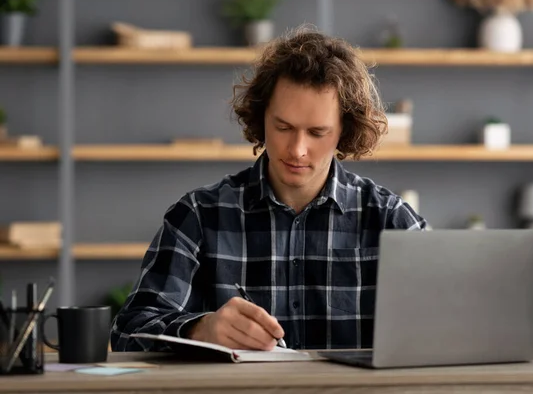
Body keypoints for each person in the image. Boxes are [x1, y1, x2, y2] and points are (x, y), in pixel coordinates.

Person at [110, 26, 427, 352]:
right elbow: (128, 332)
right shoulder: (199, 215)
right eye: (283, 127)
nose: (297, 149)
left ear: (344, 130)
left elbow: (452, 326)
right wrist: (200, 330)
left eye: (317, 132)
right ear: (262, 118)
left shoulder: (390, 220)